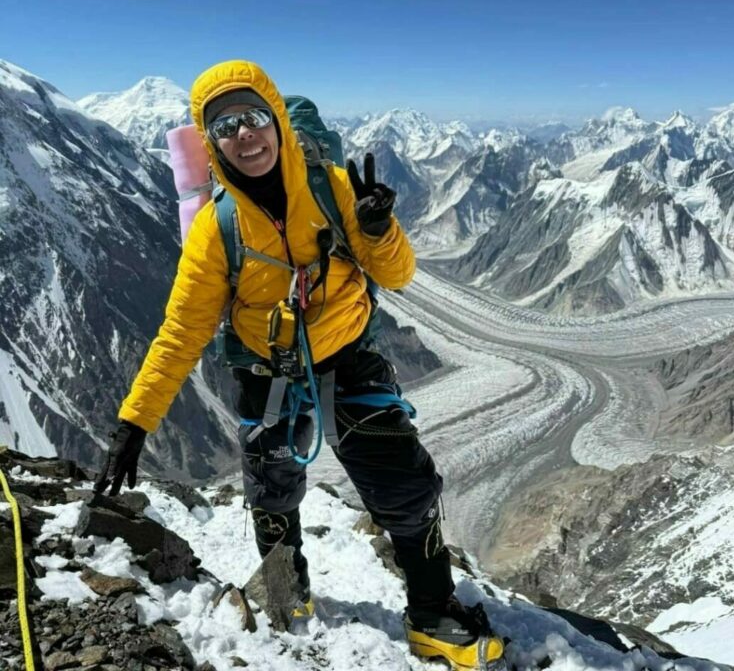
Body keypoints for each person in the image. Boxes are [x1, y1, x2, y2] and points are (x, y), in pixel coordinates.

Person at [94, 60, 505, 670]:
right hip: (268, 372)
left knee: (406, 488)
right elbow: (181, 331)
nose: (244, 135)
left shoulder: (334, 189)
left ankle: (431, 616)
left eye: (253, 117)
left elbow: (396, 274)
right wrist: (136, 420)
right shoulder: (216, 229)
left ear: (277, 120)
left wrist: (378, 228)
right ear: (211, 142)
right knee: (272, 495)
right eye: (225, 126)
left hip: (348, 356)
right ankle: (287, 597)